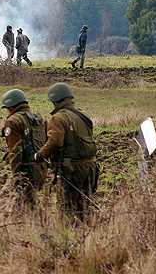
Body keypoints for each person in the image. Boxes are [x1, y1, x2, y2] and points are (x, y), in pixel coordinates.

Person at [35, 83, 98, 220]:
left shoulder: (58, 118)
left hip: (71, 169)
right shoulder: (83, 115)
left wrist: (40, 155)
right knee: (85, 207)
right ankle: (88, 235)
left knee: (67, 209)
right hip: (90, 167)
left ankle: (67, 236)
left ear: (55, 100)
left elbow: (55, 142)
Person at [2, 89, 47, 208]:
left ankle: (33, 225)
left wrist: (17, 175)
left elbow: (16, 151)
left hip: (26, 171)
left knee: (26, 207)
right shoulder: (38, 119)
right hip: (41, 169)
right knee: (31, 203)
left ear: (11, 106)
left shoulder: (13, 121)